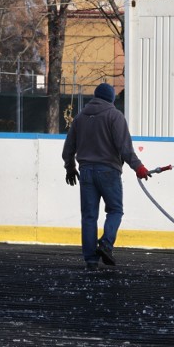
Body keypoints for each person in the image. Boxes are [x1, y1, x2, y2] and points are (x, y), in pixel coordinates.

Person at [62, 83, 150, 271]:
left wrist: (70, 168)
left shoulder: (79, 118)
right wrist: (139, 167)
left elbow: (68, 149)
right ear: (111, 98)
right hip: (109, 171)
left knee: (88, 216)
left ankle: (91, 260)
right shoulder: (115, 116)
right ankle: (106, 244)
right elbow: (125, 148)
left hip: (85, 172)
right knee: (115, 211)